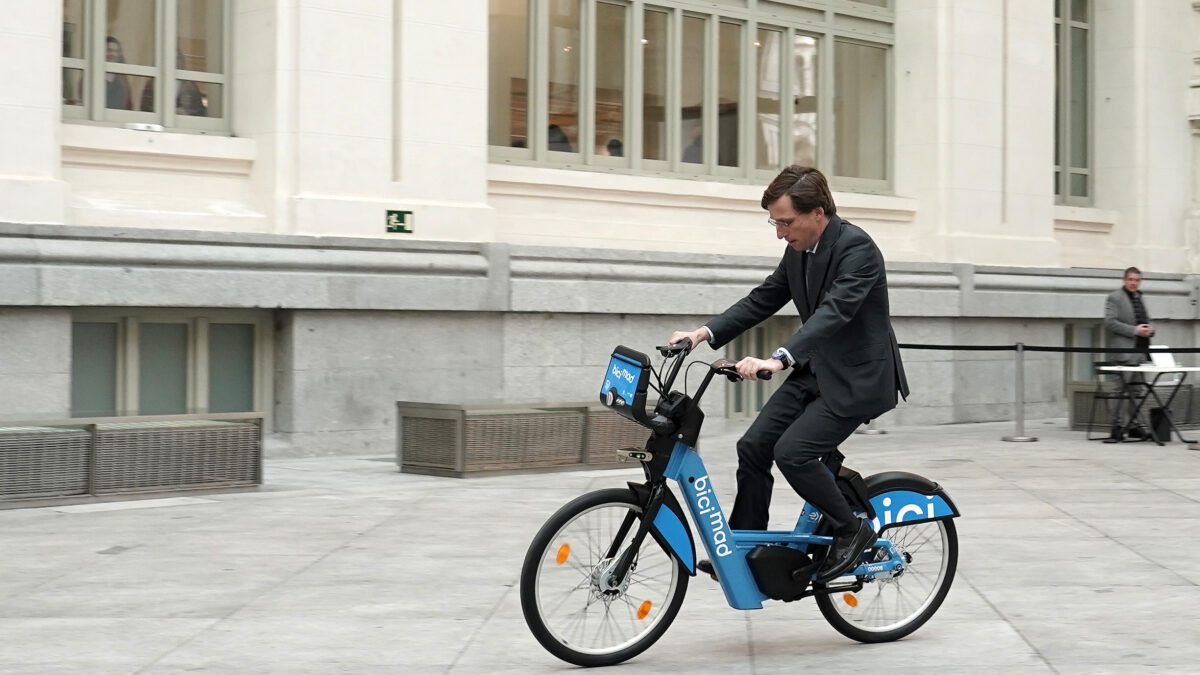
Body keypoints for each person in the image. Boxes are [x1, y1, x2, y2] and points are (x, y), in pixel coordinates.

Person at [669, 165, 908, 583]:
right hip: (817, 371)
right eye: (775, 223)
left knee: (793, 453)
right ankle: (745, 548)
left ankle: (853, 531)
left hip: (856, 380)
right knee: (754, 446)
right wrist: (702, 333)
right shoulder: (799, 249)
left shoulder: (858, 250)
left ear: (818, 213)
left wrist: (779, 358)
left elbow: (833, 314)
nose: (780, 233)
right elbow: (763, 298)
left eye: (786, 222)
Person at [1102, 267, 1154, 441]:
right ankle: (1116, 427)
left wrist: (1150, 330)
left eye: (1137, 280)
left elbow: (1145, 320)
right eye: (1131, 279)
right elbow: (1110, 323)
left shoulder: (1140, 297)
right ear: (1124, 280)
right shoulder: (1114, 297)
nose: (1134, 283)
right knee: (1120, 391)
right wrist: (1134, 330)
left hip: (1141, 352)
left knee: (1137, 391)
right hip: (1123, 352)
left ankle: (1134, 426)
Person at [105, 36, 132, 110]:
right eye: (109, 50)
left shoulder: (122, 78)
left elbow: (129, 103)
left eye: (115, 51)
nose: (112, 54)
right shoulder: (93, 75)